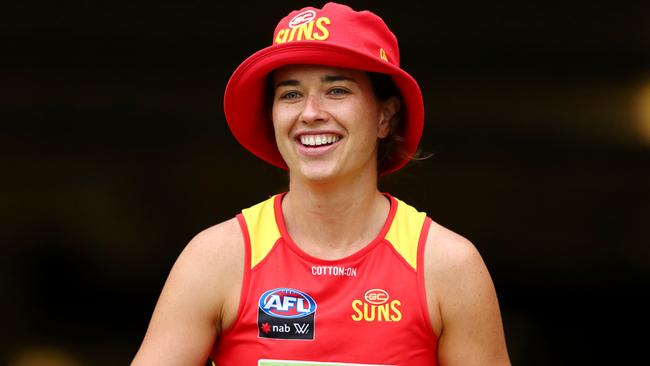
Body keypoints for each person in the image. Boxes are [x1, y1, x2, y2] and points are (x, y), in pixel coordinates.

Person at [132, 2, 510, 365]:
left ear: (385, 117)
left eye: (337, 90)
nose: (310, 113)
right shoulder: (216, 258)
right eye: (291, 94)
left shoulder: (447, 266)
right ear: (273, 116)